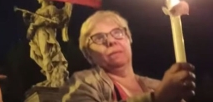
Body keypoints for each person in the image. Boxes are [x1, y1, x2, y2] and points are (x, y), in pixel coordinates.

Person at [60, 10, 196, 102]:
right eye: (99, 38)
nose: (111, 41)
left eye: (117, 32)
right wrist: (155, 98)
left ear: (129, 38)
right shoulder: (82, 84)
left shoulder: (156, 85)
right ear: (88, 54)